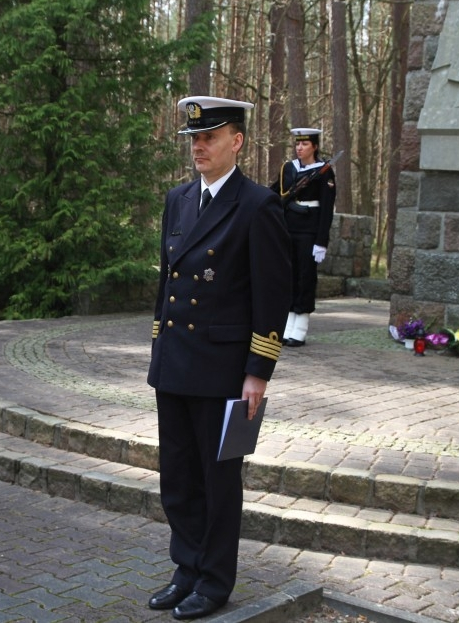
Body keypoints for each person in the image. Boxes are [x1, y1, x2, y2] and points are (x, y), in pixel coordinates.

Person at [146, 96, 291, 620]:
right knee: (178, 478)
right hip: (177, 362)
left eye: (210, 137)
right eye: (194, 139)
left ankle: (214, 581)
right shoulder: (178, 199)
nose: (199, 147)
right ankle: (185, 570)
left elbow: (273, 295)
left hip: (224, 366)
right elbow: (168, 282)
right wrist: (159, 343)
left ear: (238, 141)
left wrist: (259, 371)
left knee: (217, 481)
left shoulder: (257, 205)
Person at [269, 128, 337, 346]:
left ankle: (300, 327)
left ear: (314, 147)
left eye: (305, 144)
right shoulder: (287, 169)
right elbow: (273, 195)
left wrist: (321, 241)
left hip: (309, 230)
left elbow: (326, 209)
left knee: (305, 277)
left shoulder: (325, 172)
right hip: (288, 229)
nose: (299, 148)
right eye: (297, 144)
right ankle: (287, 324)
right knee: (289, 276)